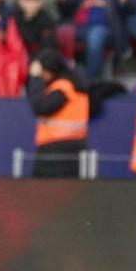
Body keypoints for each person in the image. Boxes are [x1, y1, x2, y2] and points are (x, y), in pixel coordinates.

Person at [27, 50, 89, 178]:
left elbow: (40, 106)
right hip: (69, 149)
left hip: (58, 151)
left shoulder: (64, 87)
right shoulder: (73, 86)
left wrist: (35, 79)